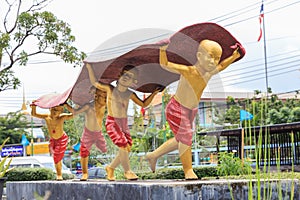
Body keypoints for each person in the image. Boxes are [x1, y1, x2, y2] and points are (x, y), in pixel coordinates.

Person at [146, 39, 241, 180]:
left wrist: (234, 56)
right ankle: (188, 171)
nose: (214, 62)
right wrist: (162, 50)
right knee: (185, 137)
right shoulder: (189, 71)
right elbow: (165, 64)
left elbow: (221, 66)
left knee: (182, 139)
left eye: (216, 58)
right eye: (211, 56)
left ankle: (153, 155)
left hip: (191, 110)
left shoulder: (209, 72)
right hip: (177, 108)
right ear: (199, 56)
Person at [86, 63, 161, 181]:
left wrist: (154, 94)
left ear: (134, 81)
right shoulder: (109, 89)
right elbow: (95, 82)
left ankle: (110, 168)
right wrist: (89, 67)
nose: (126, 77)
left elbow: (143, 104)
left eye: (130, 76)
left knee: (127, 147)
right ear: (119, 75)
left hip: (124, 123)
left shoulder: (130, 94)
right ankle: (128, 171)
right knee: (123, 144)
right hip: (113, 122)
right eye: (125, 74)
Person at [65, 86, 107, 181]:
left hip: (98, 133)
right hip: (88, 133)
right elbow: (75, 112)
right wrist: (65, 104)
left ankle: (111, 170)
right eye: (103, 97)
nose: (105, 99)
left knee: (105, 149)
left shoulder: (105, 105)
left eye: (106, 97)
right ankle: (85, 173)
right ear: (96, 96)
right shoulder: (89, 106)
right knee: (84, 151)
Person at [30, 103, 73, 181]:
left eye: (57, 110)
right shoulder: (46, 116)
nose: (54, 112)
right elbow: (34, 114)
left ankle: (59, 175)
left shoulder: (62, 117)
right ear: (49, 109)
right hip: (52, 139)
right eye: (53, 109)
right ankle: (58, 173)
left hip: (61, 139)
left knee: (57, 156)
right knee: (54, 157)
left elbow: (74, 114)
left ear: (61, 111)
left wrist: (67, 105)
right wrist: (34, 107)